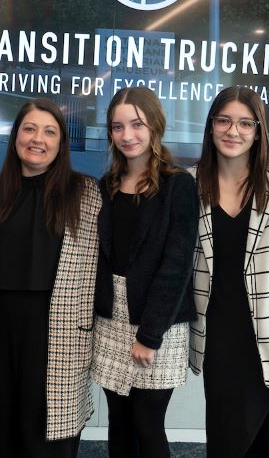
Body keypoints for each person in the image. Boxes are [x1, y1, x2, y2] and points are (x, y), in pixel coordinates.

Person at [189, 86, 269, 457]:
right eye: (224, 120)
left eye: (246, 123)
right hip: (219, 338)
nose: (234, 131)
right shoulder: (191, 181)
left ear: (259, 130)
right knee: (227, 442)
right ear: (211, 126)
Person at [0, 99, 102, 458]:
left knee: (50, 431)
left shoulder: (86, 193)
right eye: (29, 129)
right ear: (15, 136)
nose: (38, 139)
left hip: (58, 329)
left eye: (50, 132)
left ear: (61, 143)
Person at [91, 87, 198, 457]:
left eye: (136, 124)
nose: (127, 135)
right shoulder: (105, 186)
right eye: (117, 127)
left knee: (147, 423)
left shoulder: (178, 185)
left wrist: (150, 335)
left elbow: (177, 265)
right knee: (119, 420)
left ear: (155, 126)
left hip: (158, 321)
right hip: (111, 320)